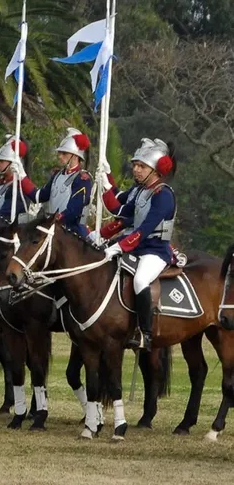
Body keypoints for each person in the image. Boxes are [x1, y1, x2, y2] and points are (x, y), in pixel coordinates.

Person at [99, 138, 178, 350]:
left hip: (155, 250)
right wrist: (106, 184)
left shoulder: (164, 195)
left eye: (142, 166)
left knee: (140, 280)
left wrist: (119, 246)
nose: (136, 170)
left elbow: (144, 230)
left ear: (155, 169)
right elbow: (120, 211)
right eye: (135, 165)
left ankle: (145, 333)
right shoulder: (142, 191)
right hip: (138, 247)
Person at [20, 126, 93, 237]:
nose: (60, 156)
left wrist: (54, 219)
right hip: (52, 226)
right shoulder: (57, 176)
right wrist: (21, 175)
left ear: (75, 156)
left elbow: (73, 211)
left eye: (64, 153)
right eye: (60, 153)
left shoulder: (82, 180)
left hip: (70, 230)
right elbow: (38, 197)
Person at [0, 135, 31, 222]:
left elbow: (3, 217)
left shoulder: (18, 189)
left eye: (1, 161)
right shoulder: (0, 185)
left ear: (14, 163)